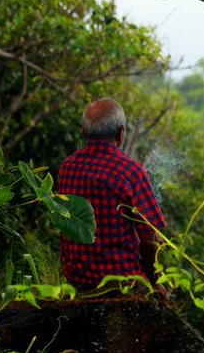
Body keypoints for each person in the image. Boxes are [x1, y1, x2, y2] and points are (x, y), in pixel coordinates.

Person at [58, 97, 167, 299]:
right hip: (120, 281)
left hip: (79, 279)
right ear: (121, 133)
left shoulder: (67, 167)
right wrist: (154, 283)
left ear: (83, 132)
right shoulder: (131, 171)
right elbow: (150, 241)